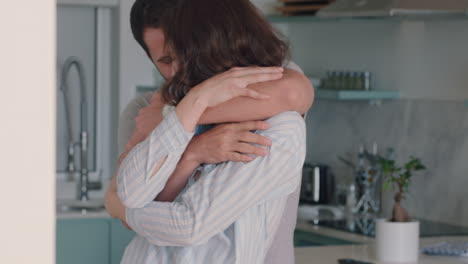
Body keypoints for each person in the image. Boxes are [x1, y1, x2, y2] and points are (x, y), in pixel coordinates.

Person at [105, 0, 313, 263]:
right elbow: (135, 198)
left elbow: (294, 91)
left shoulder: (275, 107)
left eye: (181, 53)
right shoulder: (145, 109)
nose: (176, 71)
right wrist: (193, 150)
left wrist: (177, 115)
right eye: (164, 60)